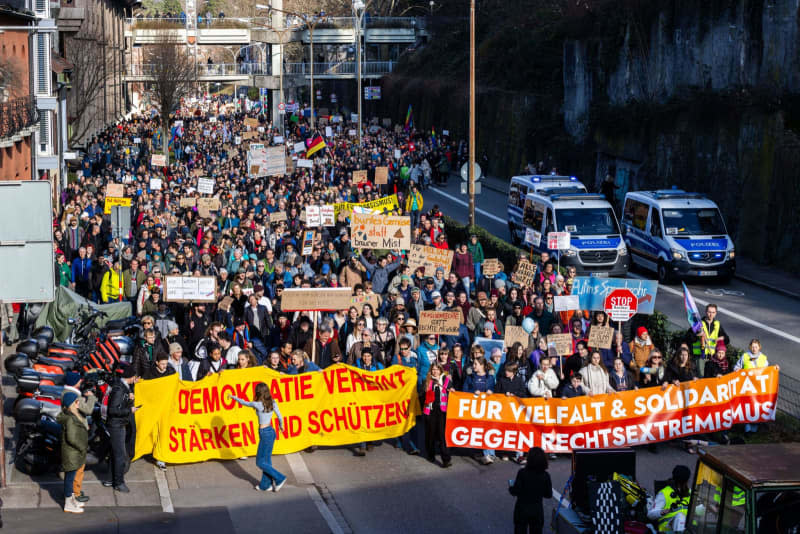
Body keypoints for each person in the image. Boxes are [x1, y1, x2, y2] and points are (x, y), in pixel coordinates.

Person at [229, 383, 287, 492]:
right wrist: (281, 426)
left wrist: (233, 397)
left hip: (264, 433)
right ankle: (265, 485)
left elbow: (244, 402)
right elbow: (280, 416)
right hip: (271, 431)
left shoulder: (257, 404)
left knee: (260, 462)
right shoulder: (273, 402)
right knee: (266, 460)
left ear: (258, 392)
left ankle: (279, 478)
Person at [103, 365, 139, 493]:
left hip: (118, 424)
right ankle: (119, 482)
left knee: (115, 453)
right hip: (116, 426)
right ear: (131, 377)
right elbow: (112, 410)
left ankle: (109, 479)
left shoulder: (123, 386)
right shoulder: (119, 389)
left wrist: (128, 399)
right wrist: (129, 410)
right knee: (120, 456)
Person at [509, 447, 553, 534]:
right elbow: (548, 494)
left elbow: (515, 491)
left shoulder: (522, 473)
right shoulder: (545, 475)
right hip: (537, 509)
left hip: (522, 509)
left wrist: (511, 487)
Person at [58, 390, 89, 514]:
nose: (79, 403)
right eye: (77, 401)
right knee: (69, 479)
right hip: (72, 453)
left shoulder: (73, 415)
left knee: (70, 478)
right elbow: (71, 437)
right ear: (72, 404)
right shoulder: (71, 419)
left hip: (73, 453)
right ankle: (68, 504)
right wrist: (82, 446)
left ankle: (72, 501)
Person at [688, 303, 730, 377]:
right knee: (701, 377)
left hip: (712, 357)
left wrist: (722, 338)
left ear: (716, 313)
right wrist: (697, 335)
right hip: (701, 356)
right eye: (709, 312)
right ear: (706, 312)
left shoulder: (717, 324)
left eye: (713, 312)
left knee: (710, 377)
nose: (711, 314)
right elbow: (688, 337)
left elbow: (727, 340)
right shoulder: (699, 323)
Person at [648, 465, 692, 533]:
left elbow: (698, 512)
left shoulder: (690, 492)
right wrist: (664, 511)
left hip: (687, 529)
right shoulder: (664, 493)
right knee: (680, 517)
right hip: (666, 530)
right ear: (686, 481)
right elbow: (650, 514)